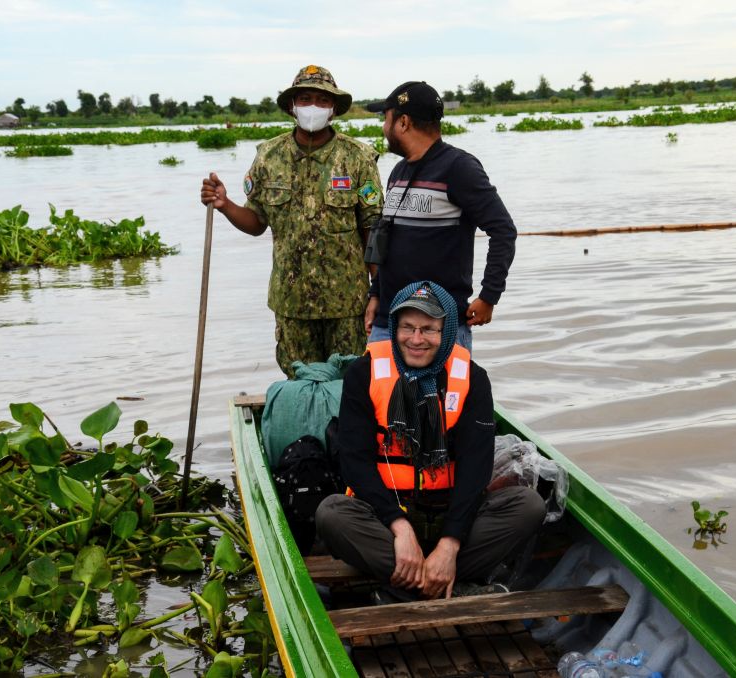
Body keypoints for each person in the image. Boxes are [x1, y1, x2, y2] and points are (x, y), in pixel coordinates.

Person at [316, 281, 545, 599]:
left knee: (528, 506)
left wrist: (450, 544)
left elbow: (475, 467)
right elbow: (354, 461)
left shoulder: (472, 379)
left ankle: (412, 584)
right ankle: (445, 584)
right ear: (394, 328)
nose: (416, 339)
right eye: (407, 327)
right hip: (385, 521)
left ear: (447, 330)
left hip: (454, 518)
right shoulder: (363, 373)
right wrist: (399, 526)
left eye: (428, 329)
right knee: (332, 514)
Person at [200, 65, 383, 378]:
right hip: (291, 302)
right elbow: (256, 221)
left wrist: (379, 291)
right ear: (291, 106)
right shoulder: (269, 156)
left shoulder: (358, 158)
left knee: (352, 384)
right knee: (300, 384)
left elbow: (373, 231)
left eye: (323, 101)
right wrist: (224, 204)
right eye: (306, 98)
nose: (314, 106)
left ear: (334, 109)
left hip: (348, 303)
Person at [362, 81, 517, 351]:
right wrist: (375, 293)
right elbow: (388, 242)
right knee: (380, 393)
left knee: (442, 395)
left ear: (404, 122)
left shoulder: (458, 167)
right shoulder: (398, 172)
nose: (384, 128)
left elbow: (503, 230)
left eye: (385, 119)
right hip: (388, 322)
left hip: (439, 325)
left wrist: (489, 296)